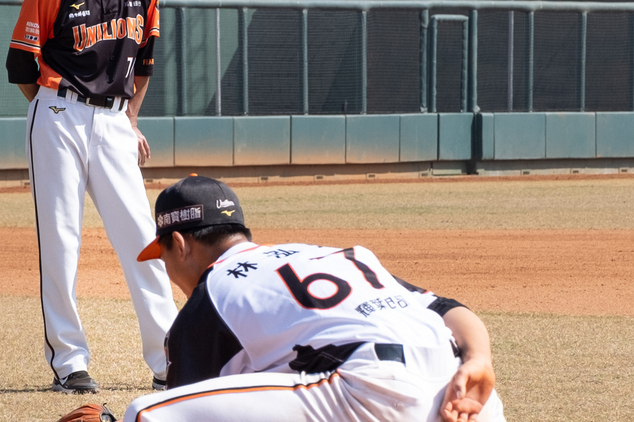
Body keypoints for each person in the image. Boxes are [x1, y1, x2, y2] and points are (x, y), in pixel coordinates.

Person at [110, 175, 505, 421]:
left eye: (161, 254)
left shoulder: (212, 293)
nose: (165, 266)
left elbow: (189, 402)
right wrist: (479, 359)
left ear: (179, 244)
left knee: (143, 414)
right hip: (469, 399)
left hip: (373, 395)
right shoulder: (333, 254)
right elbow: (448, 309)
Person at [5, 0, 177, 394]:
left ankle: (169, 359)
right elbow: (20, 66)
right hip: (58, 113)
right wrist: (51, 110)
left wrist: (130, 119)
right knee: (61, 241)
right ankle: (70, 361)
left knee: (143, 239)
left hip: (115, 121)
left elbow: (143, 61)